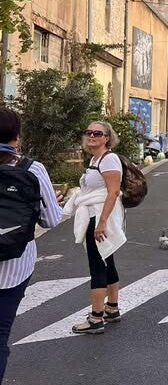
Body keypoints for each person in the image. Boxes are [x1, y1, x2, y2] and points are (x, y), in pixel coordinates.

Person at [0, 108, 62, 380]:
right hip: (13, 269)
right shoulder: (32, 169)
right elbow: (51, 220)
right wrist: (51, 204)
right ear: (17, 136)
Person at [65, 121, 126, 335]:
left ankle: (96, 318)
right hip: (95, 215)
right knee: (107, 260)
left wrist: (101, 223)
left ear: (107, 138)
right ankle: (112, 309)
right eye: (89, 132)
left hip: (100, 218)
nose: (91, 136)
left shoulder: (109, 159)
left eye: (97, 133)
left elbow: (113, 192)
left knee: (97, 265)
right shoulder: (96, 159)